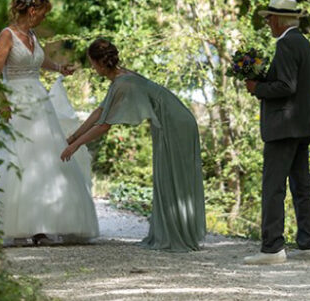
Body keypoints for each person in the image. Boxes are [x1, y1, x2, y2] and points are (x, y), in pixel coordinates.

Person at [60, 38, 206, 253]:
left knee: (172, 175)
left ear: (100, 63)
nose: (92, 67)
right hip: (169, 122)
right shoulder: (120, 78)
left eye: (92, 63)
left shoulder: (123, 82)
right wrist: (74, 137)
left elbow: (103, 126)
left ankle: (178, 235)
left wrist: (75, 146)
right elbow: (100, 112)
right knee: (166, 175)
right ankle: (174, 232)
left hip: (176, 123)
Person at [0, 0, 99, 245]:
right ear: (32, 11)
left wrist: (59, 67)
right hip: (16, 102)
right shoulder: (7, 36)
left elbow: (37, 61)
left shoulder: (32, 35)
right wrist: (2, 102)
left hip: (39, 103)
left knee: (46, 161)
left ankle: (42, 226)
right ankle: (19, 229)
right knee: (20, 160)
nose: (44, 19)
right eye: (43, 14)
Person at [242, 0, 310, 265]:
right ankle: (309, 244)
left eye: (268, 19)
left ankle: (273, 248)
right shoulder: (305, 44)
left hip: (284, 127)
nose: (267, 24)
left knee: (273, 186)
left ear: (276, 19)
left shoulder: (286, 44)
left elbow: (287, 86)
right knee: (301, 185)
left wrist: (258, 88)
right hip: (302, 125)